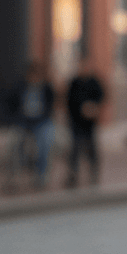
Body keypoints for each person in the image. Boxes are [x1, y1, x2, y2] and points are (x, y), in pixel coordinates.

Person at [8, 61, 56, 189]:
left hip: (41, 122)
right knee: (14, 142)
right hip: (23, 122)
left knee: (45, 143)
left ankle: (41, 175)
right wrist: (14, 118)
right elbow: (9, 104)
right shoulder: (20, 87)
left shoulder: (47, 88)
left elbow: (51, 107)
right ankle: (14, 175)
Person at [65, 60, 105, 188]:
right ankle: (73, 173)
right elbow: (69, 100)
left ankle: (93, 172)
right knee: (75, 148)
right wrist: (80, 110)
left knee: (91, 147)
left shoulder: (94, 82)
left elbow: (102, 96)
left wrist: (93, 108)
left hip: (90, 123)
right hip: (76, 121)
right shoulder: (74, 82)